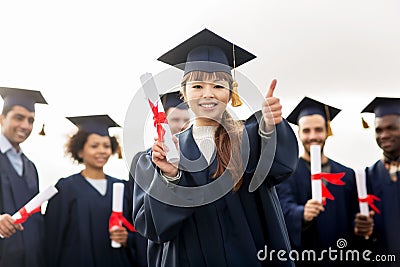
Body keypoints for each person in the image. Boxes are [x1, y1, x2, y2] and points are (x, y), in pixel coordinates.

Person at [132, 28, 299, 266]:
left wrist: (270, 128)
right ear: (183, 92)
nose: (207, 94)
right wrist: (171, 177)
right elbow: (154, 228)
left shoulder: (251, 140)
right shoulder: (157, 157)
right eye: (197, 86)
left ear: (231, 93)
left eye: (218, 86)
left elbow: (280, 168)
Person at [276, 97, 362, 266]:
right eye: (306, 131)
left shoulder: (347, 175)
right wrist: (302, 213)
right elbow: (283, 209)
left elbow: (354, 217)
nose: (313, 136)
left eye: (318, 129)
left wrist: (361, 225)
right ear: (299, 133)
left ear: (327, 131)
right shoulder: (287, 174)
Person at [44, 115, 135, 267]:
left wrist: (127, 238)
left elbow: (138, 231)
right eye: (94, 146)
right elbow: (53, 237)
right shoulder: (66, 188)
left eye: (106, 146)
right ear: (80, 151)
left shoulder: (123, 188)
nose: (102, 151)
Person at [127, 91, 190, 267]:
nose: (182, 125)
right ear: (164, 123)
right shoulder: (146, 160)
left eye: (186, 119)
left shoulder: (199, 157)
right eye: (175, 120)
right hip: (168, 250)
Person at [0, 87, 47, 267]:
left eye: (31, 120)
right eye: (19, 118)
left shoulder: (30, 167)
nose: (26, 126)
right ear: (2, 118)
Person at [361, 97, 400, 266]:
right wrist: (362, 228)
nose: (384, 135)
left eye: (391, 128)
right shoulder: (367, 177)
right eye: (378, 130)